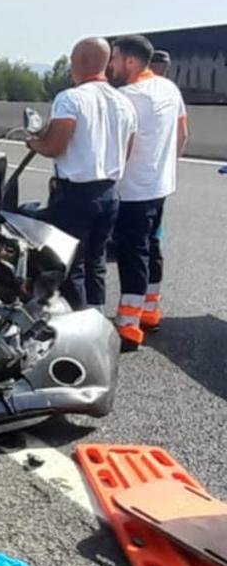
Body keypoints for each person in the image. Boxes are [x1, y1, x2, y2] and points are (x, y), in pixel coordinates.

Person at [28, 37, 137, 311]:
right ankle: (97, 316)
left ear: (80, 62)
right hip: (110, 193)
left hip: (75, 196)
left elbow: (55, 146)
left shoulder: (70, 98)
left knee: (70, 262)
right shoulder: (125, 103)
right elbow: (127, 150)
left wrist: (33, 143)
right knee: (96, 261)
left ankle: (78, 323)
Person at [110, 35, 189, 349]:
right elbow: (183, 132)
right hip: (160, 185)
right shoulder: (168, 88)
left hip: (132, 190)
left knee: (133, 254)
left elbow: (122, 147)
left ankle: (128, 326)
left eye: (114, 58)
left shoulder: (128, 97)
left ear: (129, 61)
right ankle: (150, 312)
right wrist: (165, 167)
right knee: (153, 247)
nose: (111, 65)